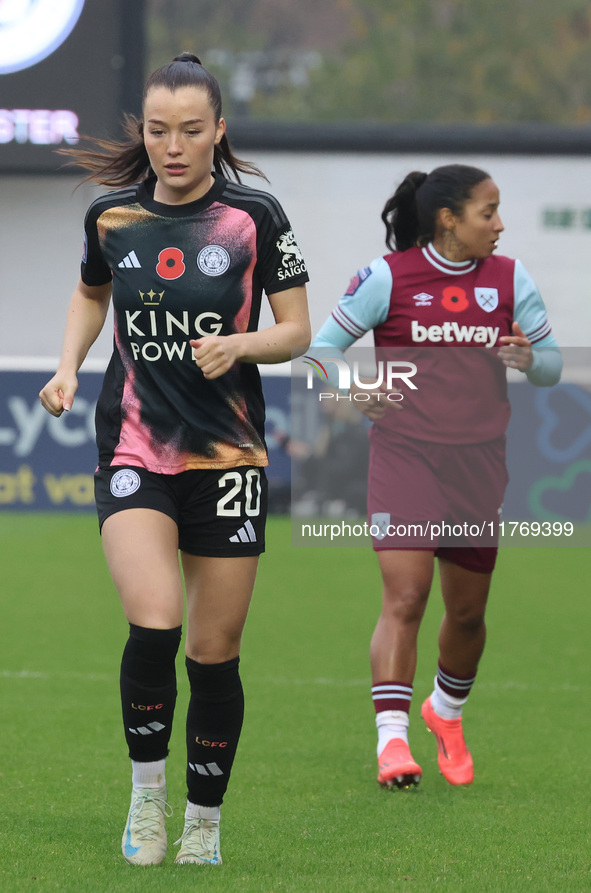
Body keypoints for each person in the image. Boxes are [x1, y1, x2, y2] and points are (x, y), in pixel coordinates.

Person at [39, 53, 310, 867]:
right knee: (156, 619)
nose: (174, 146)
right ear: (144, 133)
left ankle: (205, 823)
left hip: (227, 454)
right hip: (134, 444)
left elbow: (295, 330)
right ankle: (147, 800)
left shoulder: (255, 215)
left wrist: (242, 344)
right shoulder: (113, 217)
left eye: (191, 130)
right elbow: (92, 292)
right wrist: (66, 366)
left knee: (213, 650)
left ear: (218, 131)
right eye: (159, 131)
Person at [310, 164, 561, 790]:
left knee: (468, 615)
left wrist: (531, 359)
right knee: (407, 596)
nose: (499, 225)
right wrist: (352, 389)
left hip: (479, 464)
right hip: (405, 456)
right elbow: (321, 353)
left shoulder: (511, 277)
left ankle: (445, 713)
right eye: (488, 212)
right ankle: (392, 743)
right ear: (449, 219)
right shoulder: (388, 277)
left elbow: (553, 367)